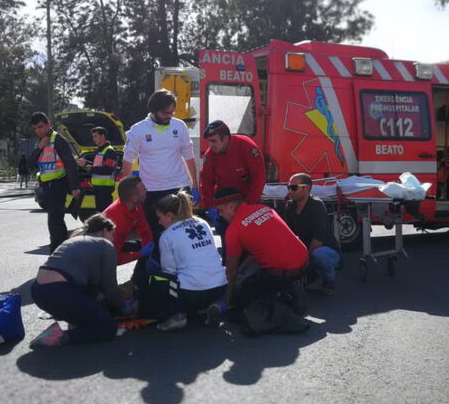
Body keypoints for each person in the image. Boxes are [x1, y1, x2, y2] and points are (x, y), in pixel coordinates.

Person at [30, 214, 132, 348]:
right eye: (113, 234)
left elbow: (91, 287)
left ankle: (77, 323)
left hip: (38, 291)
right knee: (108, 326)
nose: (114, 239)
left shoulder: (76, 240)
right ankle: (60, 337)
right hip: (59, 292)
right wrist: (123, 308)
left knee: (94, 309)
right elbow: (109, 287)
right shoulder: (105, 245)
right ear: (104, 231)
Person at [120, 89, 197, 250]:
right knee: (156, 234)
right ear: (154, 111)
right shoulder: (138, 130)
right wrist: (126, 194)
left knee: (185, 233)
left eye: (171, 112)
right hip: (152, 191)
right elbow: (127, 160)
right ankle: (157, 269)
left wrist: (195, 185)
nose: (169, 116)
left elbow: (189, 156)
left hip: (179, 188)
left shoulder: (180, 126)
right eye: (165, 112)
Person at [214, 188, 309, 313]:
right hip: (305, 263)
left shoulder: (233, 230)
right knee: (255, 268)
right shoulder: (264, 208)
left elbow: (231, 271)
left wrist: (227, 301)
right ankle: (290, 287)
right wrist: (242, 269)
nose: (220, 215)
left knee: (244, 295)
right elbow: (258, 249)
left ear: (231, 206)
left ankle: (282, 296)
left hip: (280, 273)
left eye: (220, 210)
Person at [149, 191, 228, 331]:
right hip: (219, 286)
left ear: (170, 215)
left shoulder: (167, 236)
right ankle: (215, 304)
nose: (159, 222)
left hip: (190, 294)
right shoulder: (203, 223)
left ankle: (177, 315)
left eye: (160, 217)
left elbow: (169, 271)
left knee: (156, 278)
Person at [197, 119, 266, 248]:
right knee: (228, 243)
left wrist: (250, 205)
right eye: (208, 141)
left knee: (250, 244)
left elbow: (259, 177)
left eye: (213, 141)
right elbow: (206, 181)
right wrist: (209, 206)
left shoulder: (245, 146)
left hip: (246, 201)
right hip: (225, 206)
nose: (210, 145)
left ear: (225, 138)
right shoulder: (211, 154)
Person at [29, 111, 80, 253]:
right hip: (47, 186)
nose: (38, 130)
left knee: (54, 221)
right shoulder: (39, 143)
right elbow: (31, 162)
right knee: (57, 220)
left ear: (48, 124)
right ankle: (65, 251)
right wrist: (40, 148)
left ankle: (55, 252)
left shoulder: (58, 139)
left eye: (40, 127)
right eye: (35, 128)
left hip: (58, 184)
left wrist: (74, 187)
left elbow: (70, 164)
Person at [283, 173, 341, 295]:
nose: (290, 191)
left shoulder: (317, 206)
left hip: (325, 250)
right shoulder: (290, 206)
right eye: (288, 187)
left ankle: (329, 279)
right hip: (305, 250)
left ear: (306, 188)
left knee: (319, 254)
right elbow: (289, 235)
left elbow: (318, 240)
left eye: (294, 187)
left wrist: (303, 262)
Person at [77, 126, 118, 213]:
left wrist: (91, 169)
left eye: (95, 136)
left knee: (105, 214)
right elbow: (97, 165)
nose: (93, 139)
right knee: (100, 213)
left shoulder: (109, 151)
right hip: (97, 187)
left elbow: (108, 169)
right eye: (93, 136)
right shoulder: (99, 150)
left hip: (105, 188)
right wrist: (86, 162)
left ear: (102, 136)